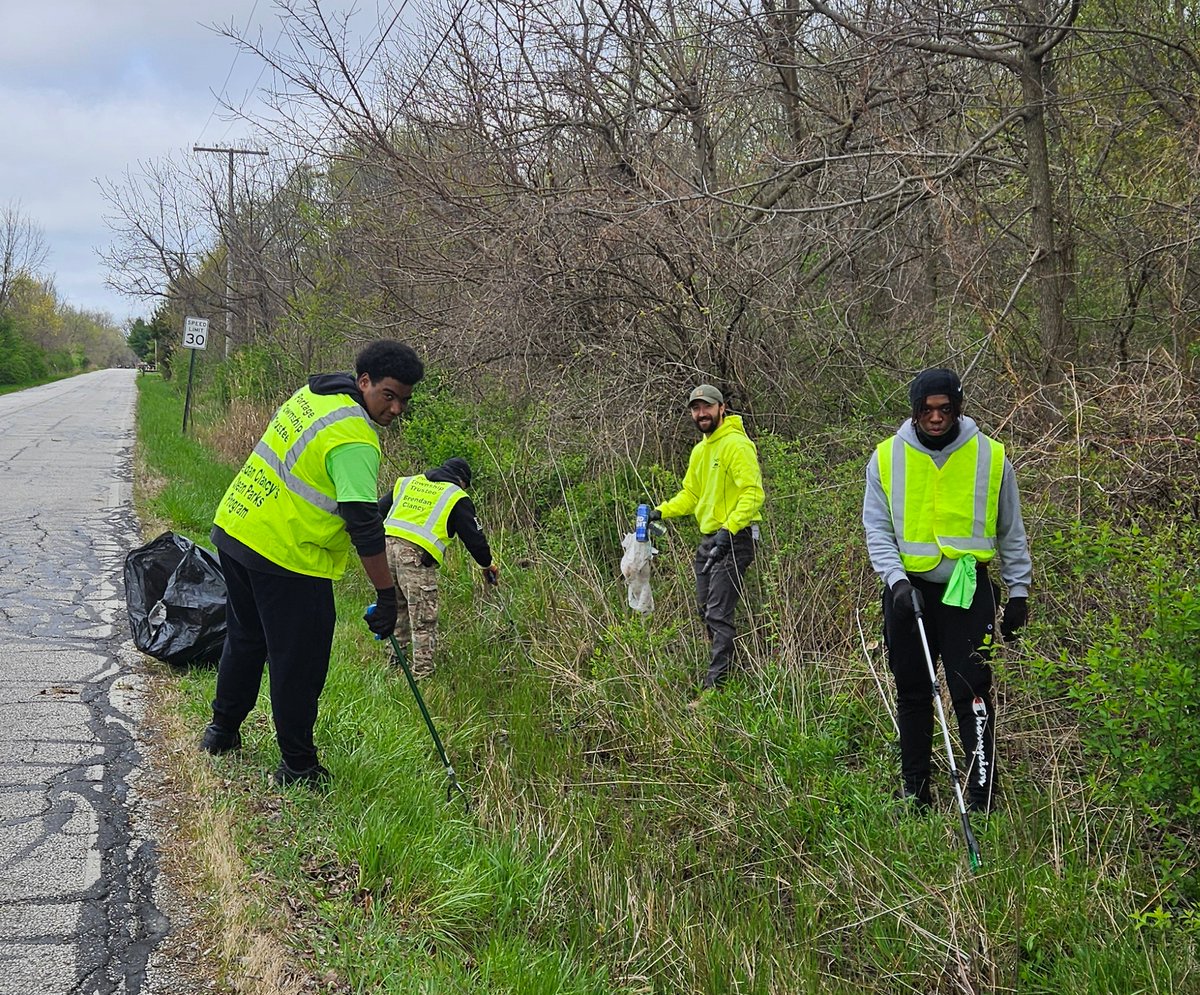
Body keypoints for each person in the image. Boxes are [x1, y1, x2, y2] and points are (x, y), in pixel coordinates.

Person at [199, 340, 424, 788]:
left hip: (238, 527)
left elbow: (319, 483)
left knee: (246, 639)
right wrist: (386, 596)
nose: (396, 408)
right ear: (365, 382)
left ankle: (221, 733)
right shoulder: (356, 437)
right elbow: (362, 526)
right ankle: (298, 766)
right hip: (287, 555)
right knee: (298, 662)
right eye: (389, 395)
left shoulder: (315, 396)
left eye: (404, 400)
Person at [863, 368, 1031, 813]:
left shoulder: (992, 458)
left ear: (957, 408)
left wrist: (1019, 592)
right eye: (926, 410)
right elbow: (877, 530)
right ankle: (915, 794)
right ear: (915, 411)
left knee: (972, 692)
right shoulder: (885, 458)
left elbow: (1011, 531)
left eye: (944, 409)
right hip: (908, 593)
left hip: (968, 591)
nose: (936, 418)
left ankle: (981, 797)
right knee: (914, 692)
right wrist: (897, 583)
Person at [649, 383, 765, 695]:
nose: (701, 413)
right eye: (696, 408)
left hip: (735, 538)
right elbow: (691, 494)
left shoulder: (736, 445)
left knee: (717, 612)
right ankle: (731, 672)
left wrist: (729, 530)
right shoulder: (701, 449)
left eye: (707, 407)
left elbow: (753, 493)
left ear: (721, 408)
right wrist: (660, 512)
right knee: (706, 611)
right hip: (710, 540)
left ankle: (715, 690)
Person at [379, 456, 498, 679]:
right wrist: (486, 564)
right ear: (462, 481)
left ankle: (395, 661)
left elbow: (377, 511)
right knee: (423, 617)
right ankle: (422, 675)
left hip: (384, 551)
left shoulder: (408, 482)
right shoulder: (456, 496)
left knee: (396, 608)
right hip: (414, 558)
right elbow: (474, 538)